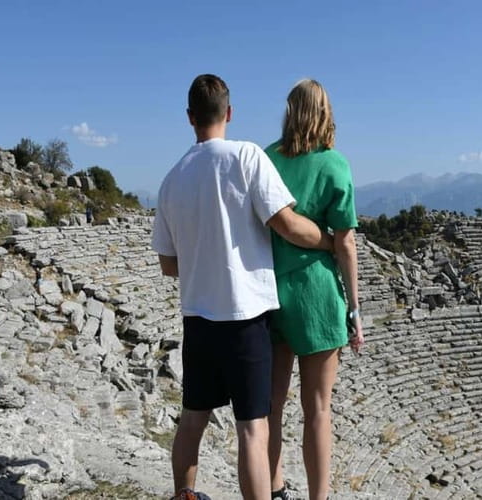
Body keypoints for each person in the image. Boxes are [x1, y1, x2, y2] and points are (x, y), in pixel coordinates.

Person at [152, 74, 334, 500]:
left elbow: (168, 264)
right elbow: (286, 224)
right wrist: (329, 241)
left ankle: (184, 494)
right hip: (245, 318)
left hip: (198, 318)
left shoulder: (171, 179)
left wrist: (205, 262)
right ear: (229, 113)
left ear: (190, 117)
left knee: (192, 418)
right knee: (253, 428)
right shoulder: (247, 156)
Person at [265, 79, 364, 500]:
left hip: (270, 290)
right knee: (318, 410)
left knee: (271, 407)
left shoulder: (267, 158)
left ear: (289, 111)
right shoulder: (334, 164)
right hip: (317, 295)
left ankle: (274, 490)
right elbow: (345, 242)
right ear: (326, 112)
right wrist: (355, 308)